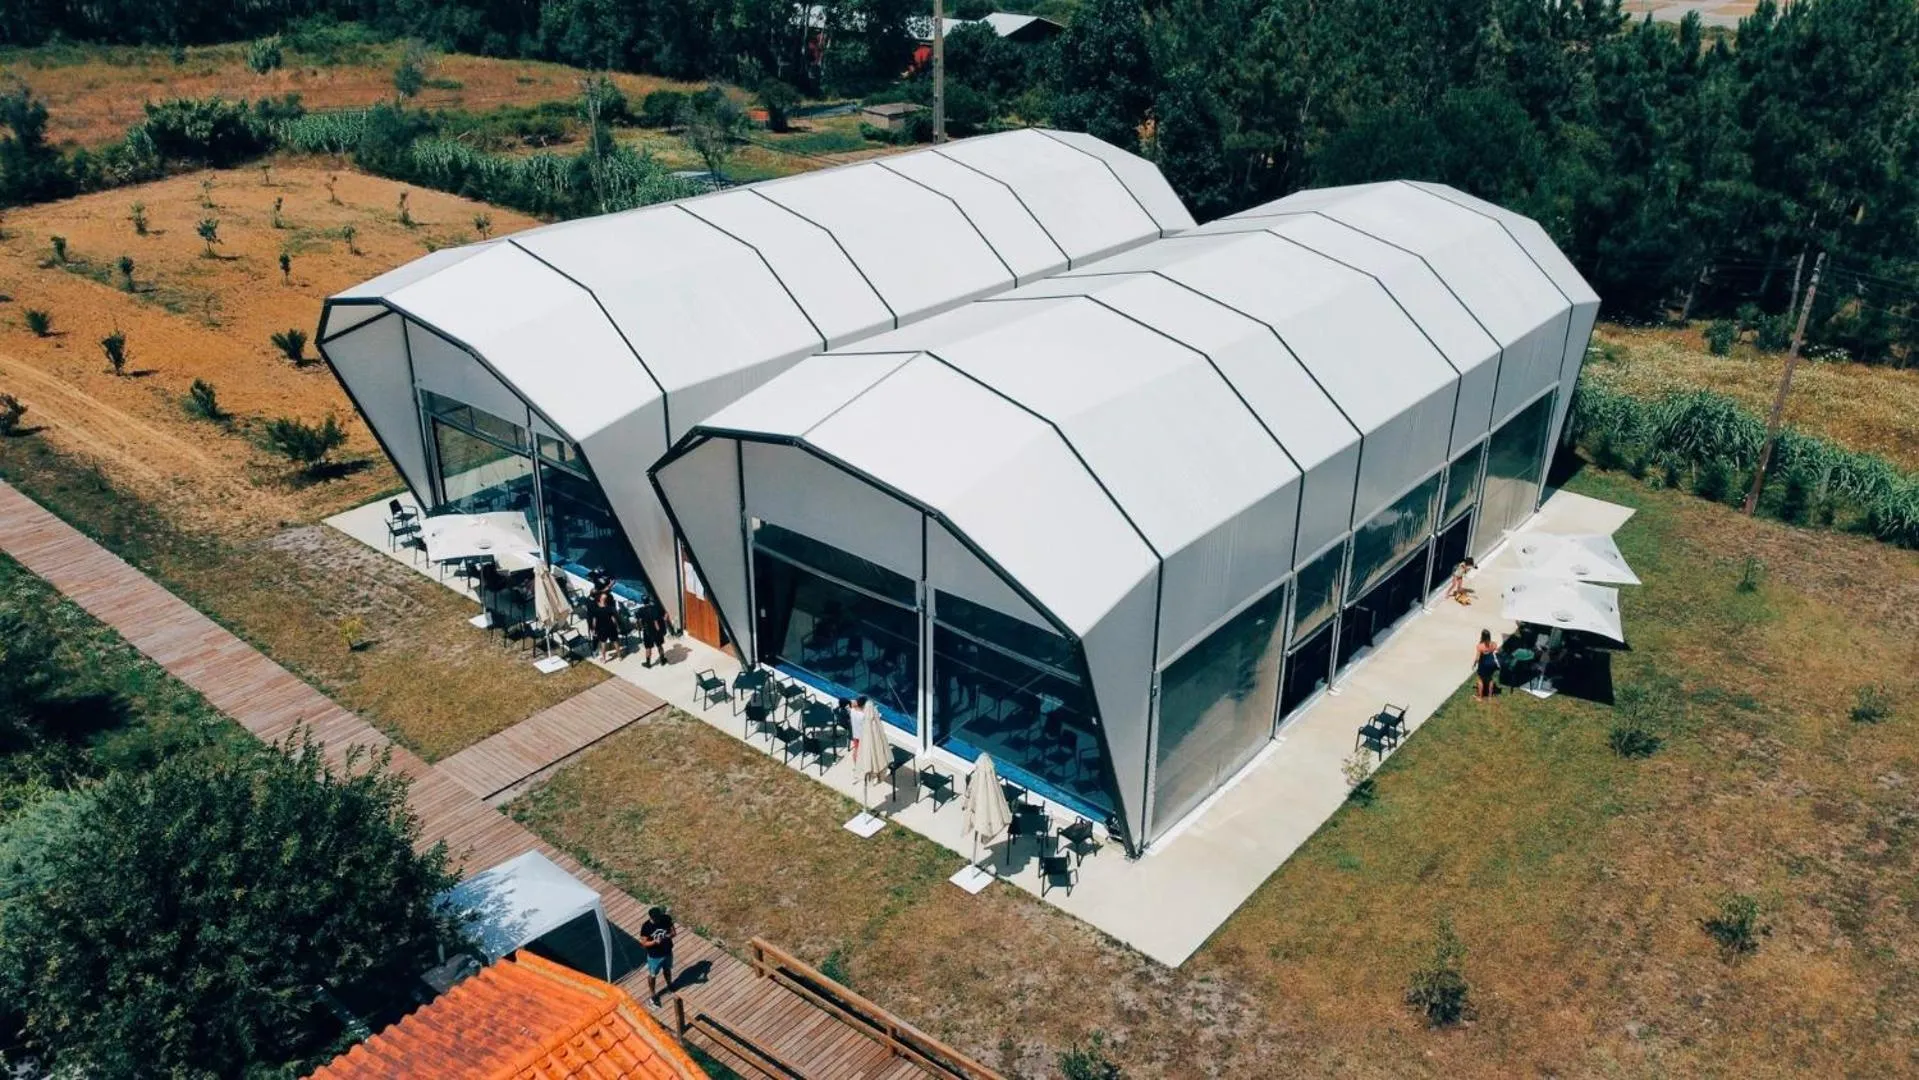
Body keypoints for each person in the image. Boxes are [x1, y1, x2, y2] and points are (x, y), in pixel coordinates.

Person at [638, 906, 676, 1005]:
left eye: (659, 917)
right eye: (656, 918)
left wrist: (666, 936)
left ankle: (669, 985)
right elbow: (643, 943)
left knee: (667, 969)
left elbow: (673, 933)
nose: (659, 919)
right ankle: (653, 994)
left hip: (667, 951)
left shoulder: (666, 919)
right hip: (654, 956)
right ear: (651, 917)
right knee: (653, 975)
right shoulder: (646, 926)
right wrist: (655, 942)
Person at [589, 584, 620, 662]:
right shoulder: (609, 608)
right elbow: (613, 619)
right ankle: (619, 657)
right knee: (615, 641)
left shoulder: (596, 609)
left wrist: (593, 629)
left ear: (599, 599)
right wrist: (617, 627)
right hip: (611, 627)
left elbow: (594, 621)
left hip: (602, 628)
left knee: (603, 644)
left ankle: (604, 658)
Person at [637, 594, 668, 667]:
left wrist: (640, 628)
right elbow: (665, 616)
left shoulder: (640, 610)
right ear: (649, 600)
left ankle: (648, 663)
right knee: (659, 645)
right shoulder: (655, 608)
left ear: (642, 601)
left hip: (647, 632)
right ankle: (662, 660)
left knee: (648, 648)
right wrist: (664, 625)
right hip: (657, 631)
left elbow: (638, 621)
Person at [1474, 628, 1500, 701]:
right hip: (1491, 664)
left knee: (1480, 679)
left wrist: (1474, 664)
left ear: (1482, 636)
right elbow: (1497, 651)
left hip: (1483, 665)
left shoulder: (1480, 646)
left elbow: (1477, 658)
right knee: (1490, 679)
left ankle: (1479, 697)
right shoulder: (1494, 644)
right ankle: (1490, 697)